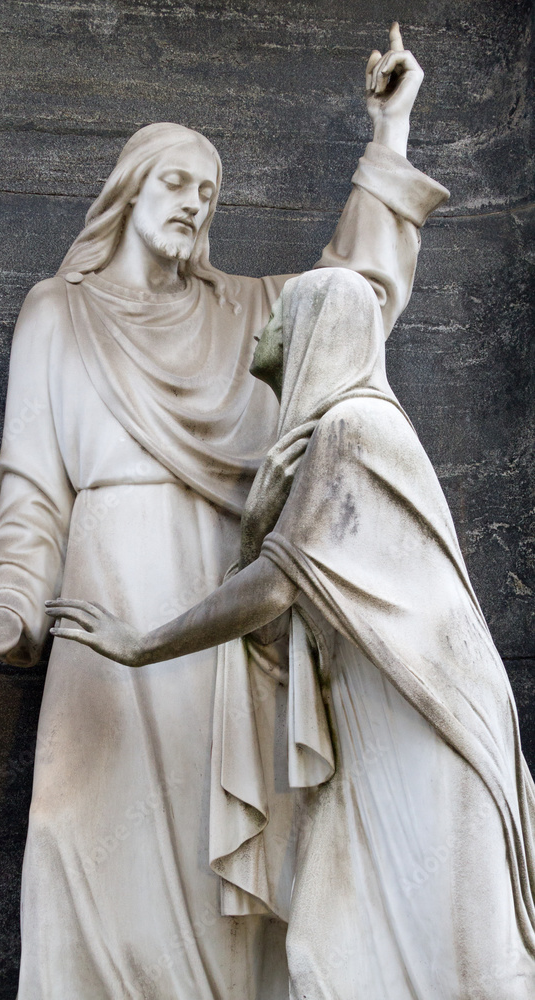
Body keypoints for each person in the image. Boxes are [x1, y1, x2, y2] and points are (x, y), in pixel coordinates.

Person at [0, 24, 450, 1000]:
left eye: (208, 192)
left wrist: (393, 131)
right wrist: (6, 613)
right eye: (178, 181)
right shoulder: (57, 314)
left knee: (211, 918)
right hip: (98, 631)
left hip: (211, 636)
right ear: (130, 189)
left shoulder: (245, 313)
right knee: (81, 858)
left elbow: (354, 299)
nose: (196, 203)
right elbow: (32, 495)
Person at [48, 265, 535, 999]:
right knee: (328, 949)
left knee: (444, 955)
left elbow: (273, 587)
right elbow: (277, 623)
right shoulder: (336, 437)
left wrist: (142, 643)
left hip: (426, 724)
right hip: (383, 726)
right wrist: (258, 519)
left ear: (313, 330)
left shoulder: (352, 428)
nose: (261, 327)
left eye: (280, 316)